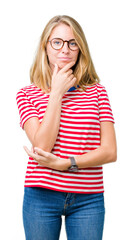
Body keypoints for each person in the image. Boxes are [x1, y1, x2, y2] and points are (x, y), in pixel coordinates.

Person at [16, 15, 117, 240]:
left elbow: (110, 151)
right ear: (46, 46)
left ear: (80, 48)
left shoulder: (97, 92)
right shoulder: (26, 94)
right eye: (57, 42)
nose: (65, 49)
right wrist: (57, 93)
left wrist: (66, 163)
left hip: (88, 198)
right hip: (41, 196)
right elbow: (42, 145)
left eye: (73, 43)